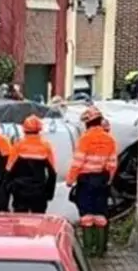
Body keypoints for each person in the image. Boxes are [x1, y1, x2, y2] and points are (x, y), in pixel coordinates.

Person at [66, 105, 118, 256]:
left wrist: (70, 180)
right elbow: (113, 163)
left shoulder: (85, 139)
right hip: (102, 179)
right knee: (101, 213)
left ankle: (88, 249)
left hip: (86, 180)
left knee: (87, 213)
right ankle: (100, 249)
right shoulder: (110, 139)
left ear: (88, 123)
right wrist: (108, 180)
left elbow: (78, 162)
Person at [9, 115, 57, 214]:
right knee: (38, 220)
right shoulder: (46, 146)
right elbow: (52, 172)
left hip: (20, 190)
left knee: (21, 220)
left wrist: (10, 188)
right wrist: (49, 193)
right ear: (39, 129)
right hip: (39, 191)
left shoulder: (18, 145)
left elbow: (9, 170)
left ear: (24, 129)